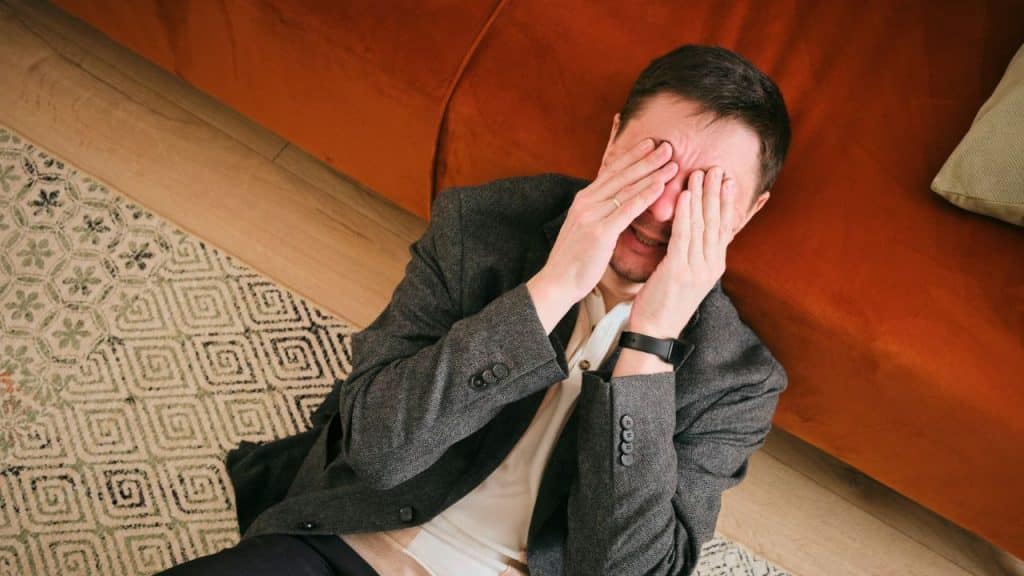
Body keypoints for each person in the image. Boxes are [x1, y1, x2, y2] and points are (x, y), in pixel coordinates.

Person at [158, 43, 791, 576]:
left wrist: (649, 347)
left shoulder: (738, 380)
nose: (660, 211)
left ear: (749, 212)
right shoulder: (480, 227)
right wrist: (552, 289)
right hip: (349, 544)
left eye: (705, 192)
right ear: (612, 141)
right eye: (653, 164)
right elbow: (378, 451)